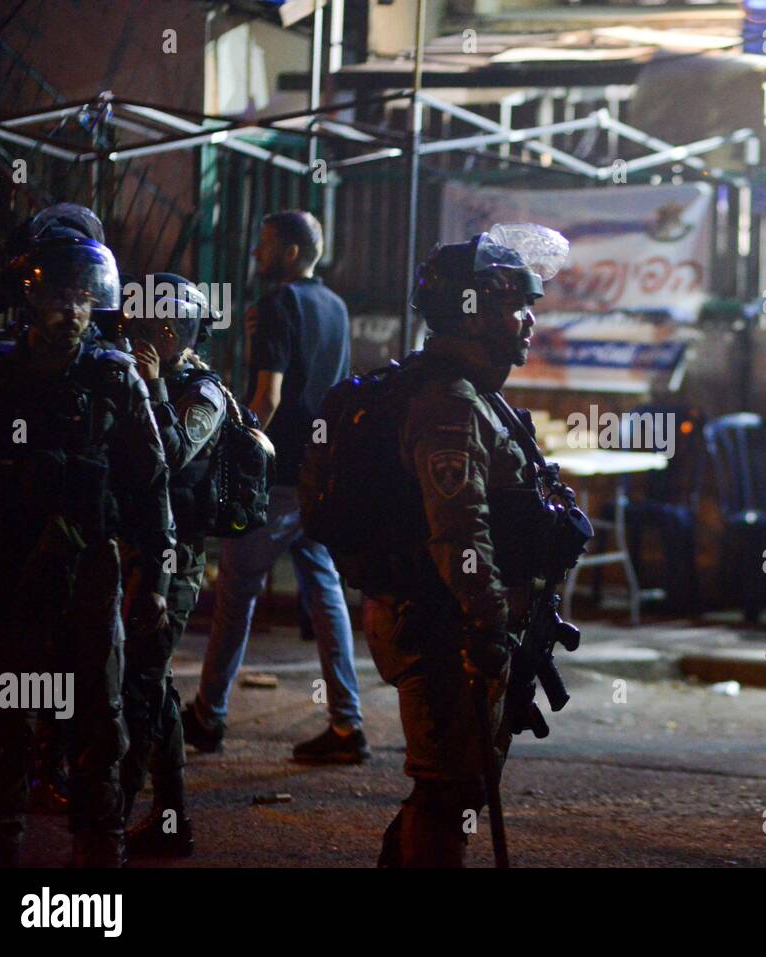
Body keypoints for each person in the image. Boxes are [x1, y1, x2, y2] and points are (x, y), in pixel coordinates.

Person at [365, 224, 569, 867]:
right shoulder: (448, 405)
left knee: (458, 788)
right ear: (473, 313)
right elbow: (460, 533)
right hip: (441, 625)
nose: (528, 319)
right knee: (446, 792)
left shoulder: (481, 397)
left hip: (465, 623)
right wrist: (484, 623)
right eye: (513, 305)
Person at [0, 232, 174, 867]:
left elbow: (150, 486)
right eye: (60, 297)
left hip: (91, 578)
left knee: (98, 731)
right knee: (5, 730)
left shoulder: (112, 377)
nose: (72, 312)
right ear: (32, 302)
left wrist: (158, 587)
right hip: (7, 581)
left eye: (84, 298)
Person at [182, 211, 365, 763]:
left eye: (263, 246)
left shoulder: (278, 305)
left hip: (277, 478)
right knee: (326, 594)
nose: (255, 255)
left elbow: (269, 396)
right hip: (318, 474)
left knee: (235, 596)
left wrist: (238, 446)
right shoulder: (335, 306)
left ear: (290, 251)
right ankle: (347, 724)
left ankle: (209, 717)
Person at [117, 276, 228, 857]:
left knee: (140, 683)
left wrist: (155, 388)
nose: (152, 334)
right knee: (150, 682)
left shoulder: (204, 393)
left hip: (175, 557)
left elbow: (170, 454)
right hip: (129, 548)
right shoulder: (127, 372)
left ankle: (112, 812)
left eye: (165, 324)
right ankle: (171, 815)